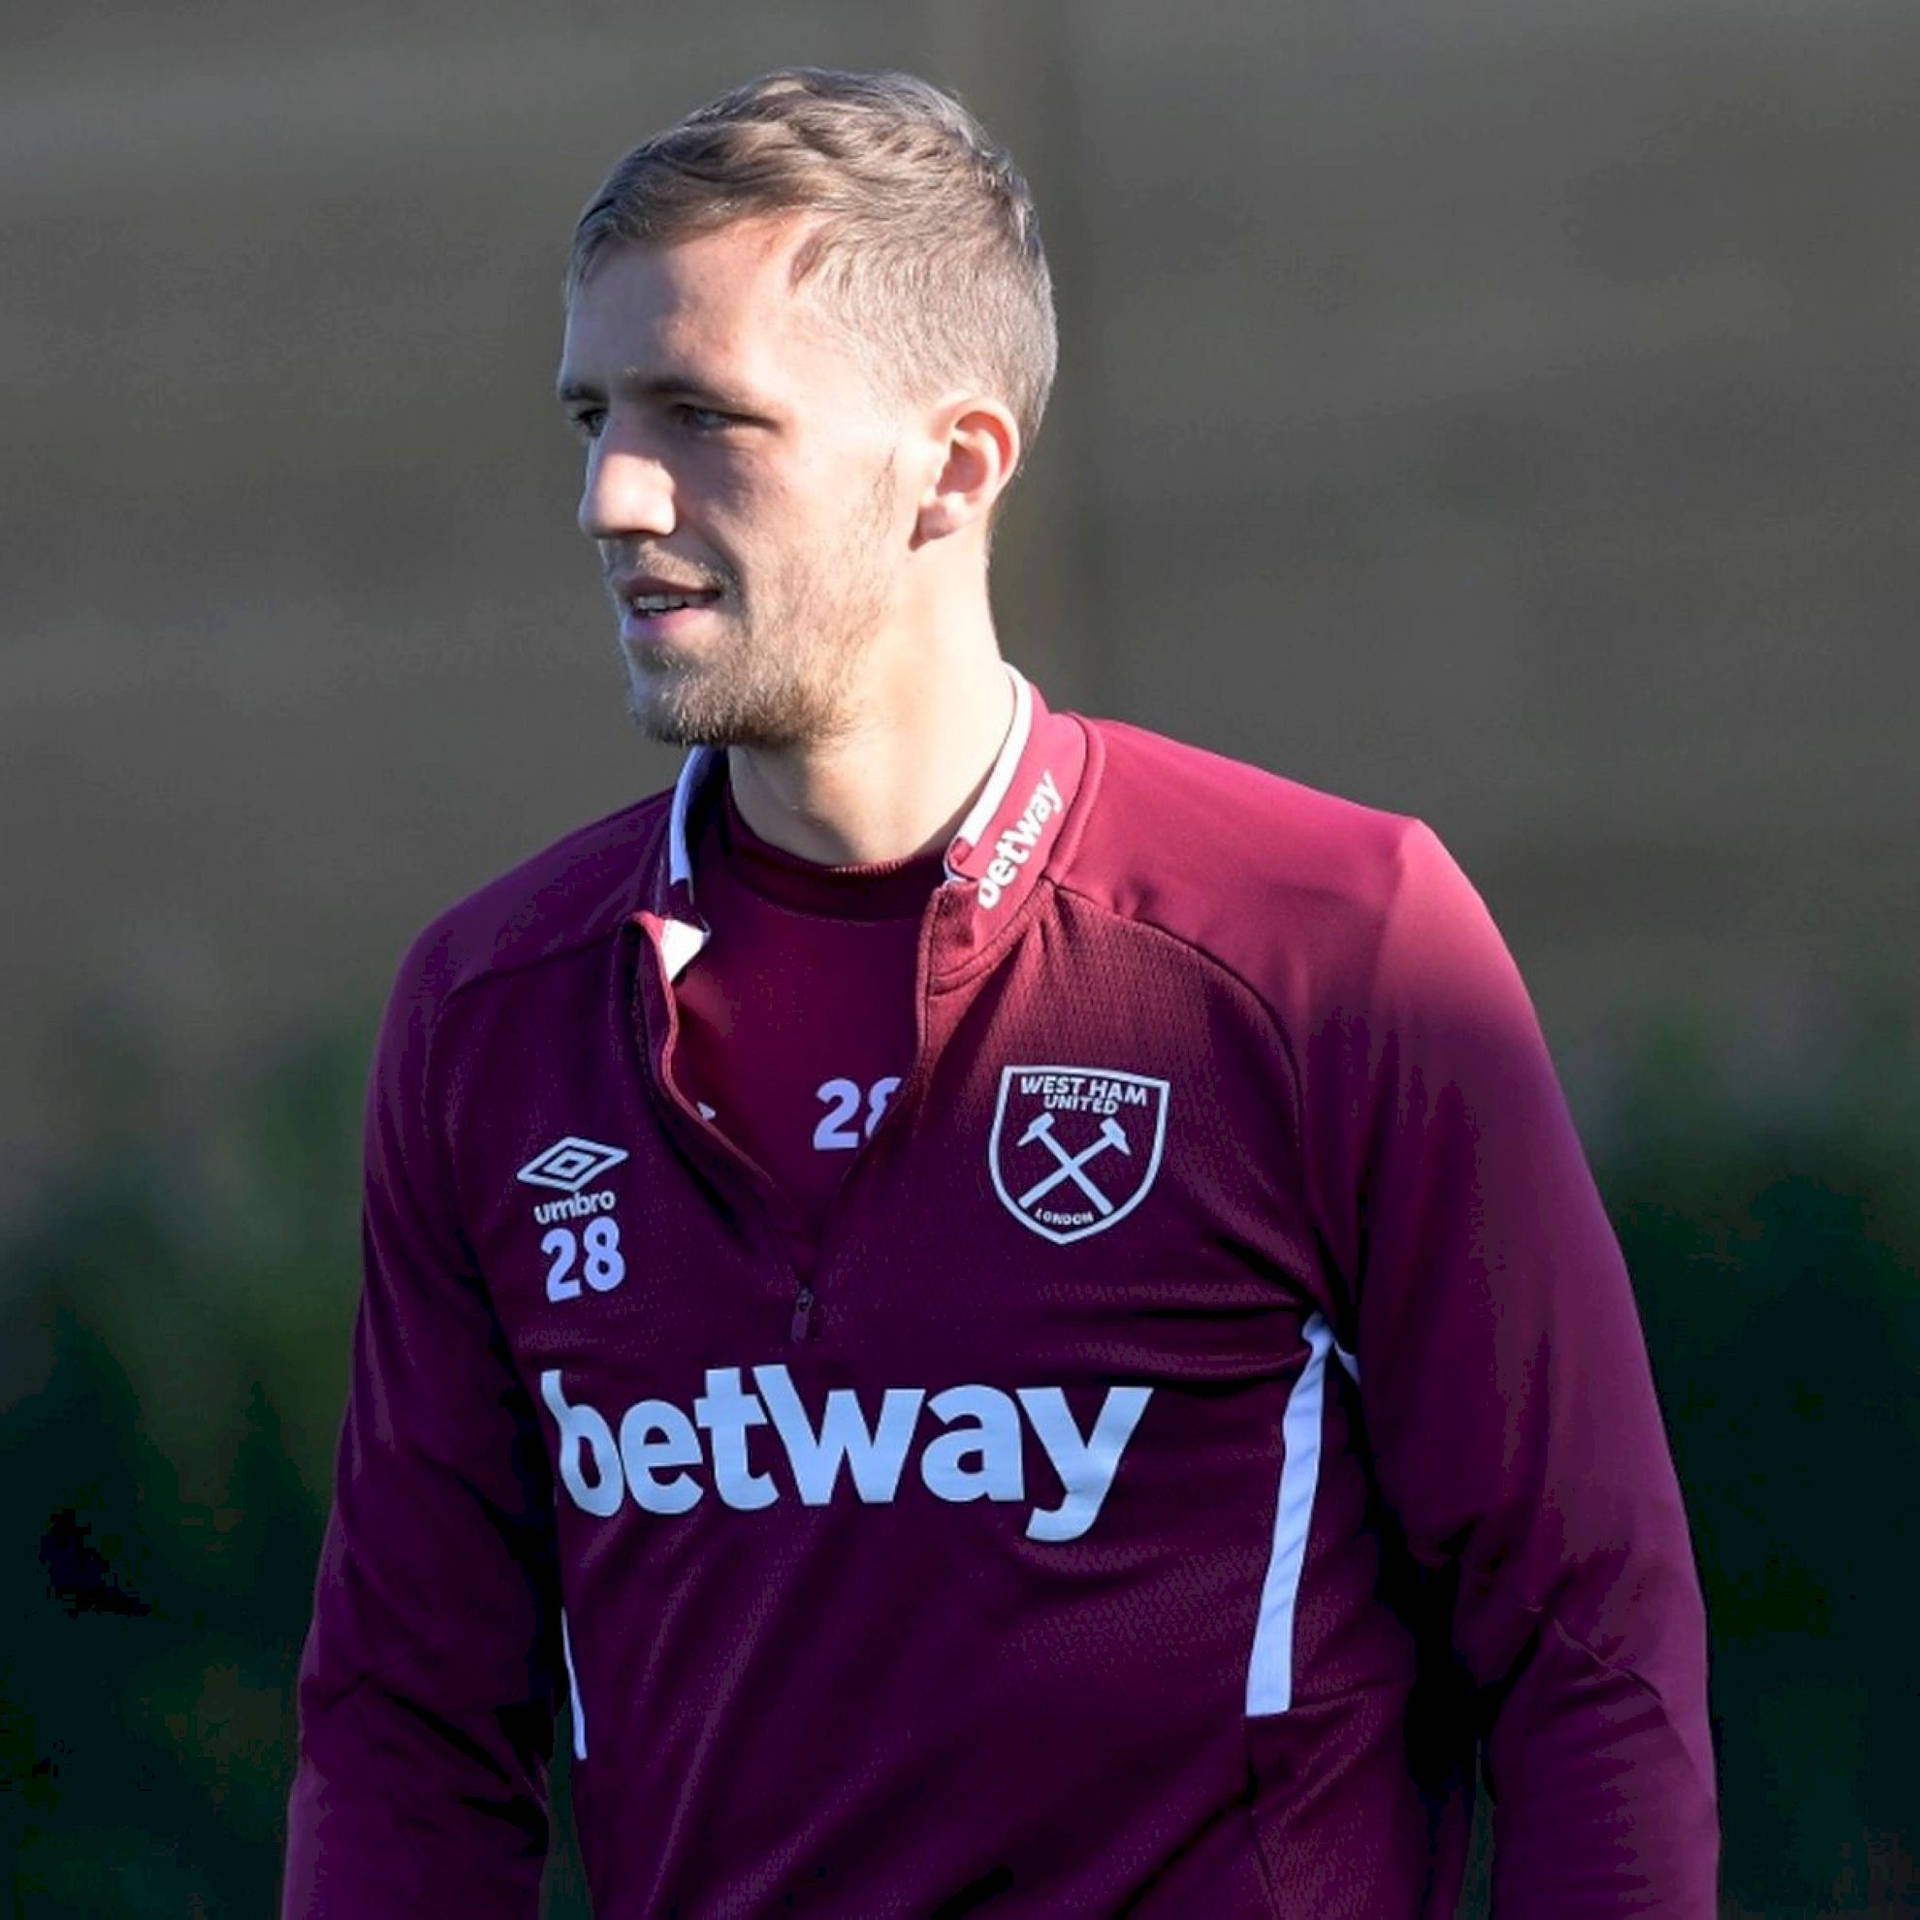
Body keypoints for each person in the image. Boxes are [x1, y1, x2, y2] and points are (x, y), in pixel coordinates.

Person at [283, 67, 1717, 1918]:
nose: (609, 494)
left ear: (955, 468)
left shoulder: (1333, 944)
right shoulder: (494, 1014)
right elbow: (408, 1732)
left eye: (704, 417)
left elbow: (1589, 1662)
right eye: (592, 414)